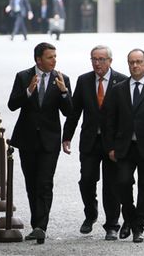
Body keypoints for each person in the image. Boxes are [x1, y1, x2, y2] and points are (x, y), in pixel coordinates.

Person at [7, 42, 72, 244]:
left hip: (50, 140)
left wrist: (64, 92)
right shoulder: (23, 76)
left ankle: (40, 227)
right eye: (50, 57)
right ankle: (36, 223)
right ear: (38, 59)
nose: (54, 60)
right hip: (27, 139)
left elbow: (69, 112)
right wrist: (28, 91)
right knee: (31, 183)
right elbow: (12, 105)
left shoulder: (62, 78)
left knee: (45, 183)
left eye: (55, 56)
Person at [62, 45, 127, 240]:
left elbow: (126, 116)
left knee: (112, 184)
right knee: (87, 180)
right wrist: (67, 137)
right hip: (90, 141)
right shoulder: (84, 80)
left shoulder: (122, 81)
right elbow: (74, 112)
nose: (97, 63)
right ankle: (90, 214)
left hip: (112, 144)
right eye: (94, 59)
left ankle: (112, 225)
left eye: (101, 59)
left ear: (110, 61)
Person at [104, 48, 144, 243]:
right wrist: (110, 147)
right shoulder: (118, 89)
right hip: (124, 146)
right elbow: (110, 121)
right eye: (131, 62)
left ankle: (138, 226)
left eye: (139, 61)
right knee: (122, 182)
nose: (135, 65)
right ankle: (130, 217)